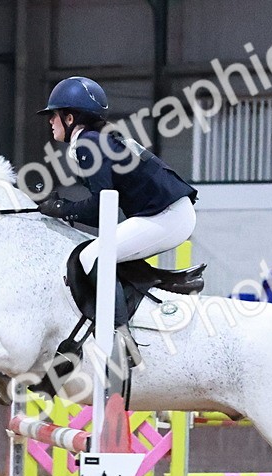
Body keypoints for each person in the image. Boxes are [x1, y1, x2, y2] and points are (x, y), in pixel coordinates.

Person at [35, 76, 198, 330]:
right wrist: (64, 208)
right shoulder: (99, 137)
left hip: (167, 215)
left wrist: (60, 208)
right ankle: (166, 283)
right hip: (167, 212)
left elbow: (103, 208)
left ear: (70, 118)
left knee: (93, 256)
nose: (50, 120)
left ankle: (119, 336)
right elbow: (108, 208)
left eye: (54, 114)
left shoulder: (88, 143)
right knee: (102, 250)